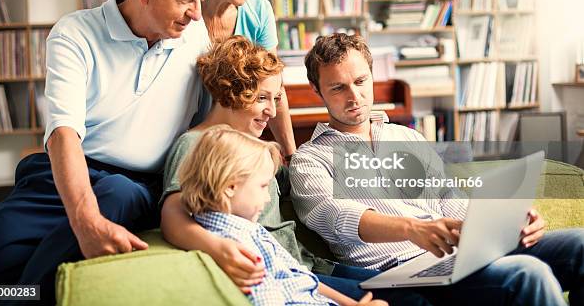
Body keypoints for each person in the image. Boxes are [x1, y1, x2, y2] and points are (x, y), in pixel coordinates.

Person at [0, 0, 213, 304]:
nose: (196, 12)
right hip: (65, 173)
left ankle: (20, 299)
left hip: (137, 185)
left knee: (119, 194)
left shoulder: (195, 35)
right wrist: (84, 220)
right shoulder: (75, 33)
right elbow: (63, 133)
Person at [289, 32, 584, 306]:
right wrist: (412, 229)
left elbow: (447, 199)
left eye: (361, 81)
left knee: (580, 243)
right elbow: (336, 216)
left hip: (459, 256)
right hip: (398, 273)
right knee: (526, 273)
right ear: (317, 90)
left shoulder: (406, 137)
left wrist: (509, 223)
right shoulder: (311, 159)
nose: (354, 96)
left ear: (372, 76)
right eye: (338, 87)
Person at [161, 36, 430, 305]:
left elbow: (315, 190)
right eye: (261, 98)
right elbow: (173, 214)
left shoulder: (255, 149)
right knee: (409, 300)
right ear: (231, 92)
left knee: (418, 290)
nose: (272, 111)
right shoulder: (197, 143)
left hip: (310, 265)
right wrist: (219, 249)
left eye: (276, 98)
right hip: (289, 271)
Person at [177, 125, 388, 306]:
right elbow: (269, 299)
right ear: (230, 186)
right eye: (262, 187)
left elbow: (302, 278)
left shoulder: (249, 230)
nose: (267, 198)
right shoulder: (238, 247)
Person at [197, 0, 297, 157]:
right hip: (191, 136)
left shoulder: (258, 9)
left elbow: (274, 88)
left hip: (237, 140)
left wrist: (291, 154)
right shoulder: (185, 11)